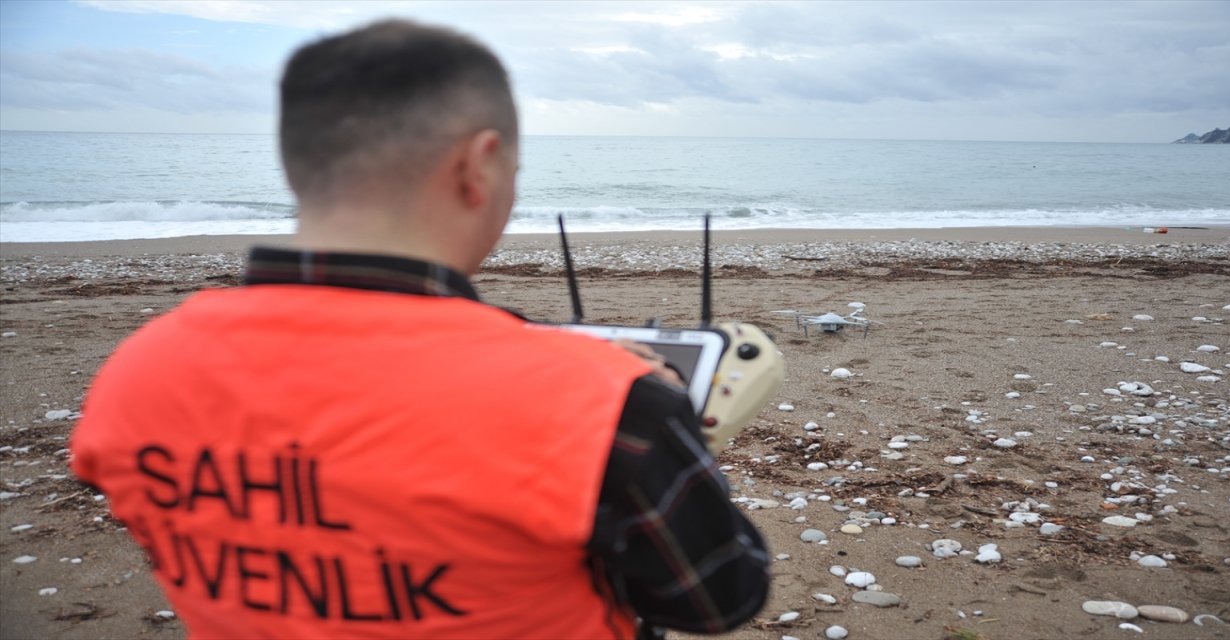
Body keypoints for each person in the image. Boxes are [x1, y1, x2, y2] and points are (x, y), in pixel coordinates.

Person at [70, 19, 769, 640]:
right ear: (477, 166)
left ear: (298, 164)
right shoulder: (608, 401)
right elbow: (719, 599)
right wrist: (664, 415)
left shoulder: (136, 373)